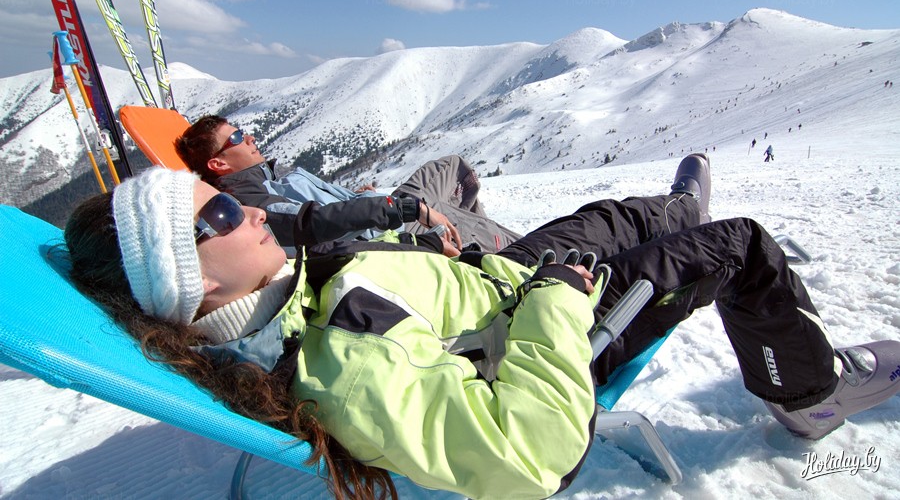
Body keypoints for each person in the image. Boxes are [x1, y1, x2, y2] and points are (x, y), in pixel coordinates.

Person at [63, 155, 900, 499]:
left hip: (495, 285)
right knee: (738, 245)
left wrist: (422, 249)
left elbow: (388, 297)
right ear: (191, 281)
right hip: (548, 322)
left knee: (613, 215)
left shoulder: (284, 290)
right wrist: (558, 299)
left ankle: (674, 209)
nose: (250, 211)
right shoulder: (346, 358)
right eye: (220, 215)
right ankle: (810, 393)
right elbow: (531, 454)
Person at [174, 115, 521, 252]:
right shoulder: (250, 200)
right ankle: (505, 249)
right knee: (441, 205)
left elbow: (321, 207)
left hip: (376, 214)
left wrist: (355, 197)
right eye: (236, 137)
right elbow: (311, 222)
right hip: (387, 228)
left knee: (453, 170)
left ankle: (477, 235)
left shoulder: (267, 177)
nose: (249, 137)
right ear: (218, 163)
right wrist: (403, 208)